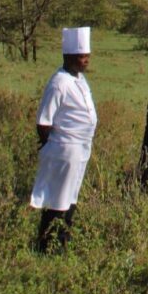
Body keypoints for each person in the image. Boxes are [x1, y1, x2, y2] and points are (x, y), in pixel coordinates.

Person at [30, 26, 98, 252]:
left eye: (87, 56)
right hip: (64, 151)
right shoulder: (59, 82)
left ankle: (62, 244)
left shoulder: (78, 79)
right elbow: (43, 122)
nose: (86, 60)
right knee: (56, 203)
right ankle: (46, 247)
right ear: (69, 56)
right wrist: (55, 146)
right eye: (81, 56)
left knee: (69, 201)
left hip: (79, 152)